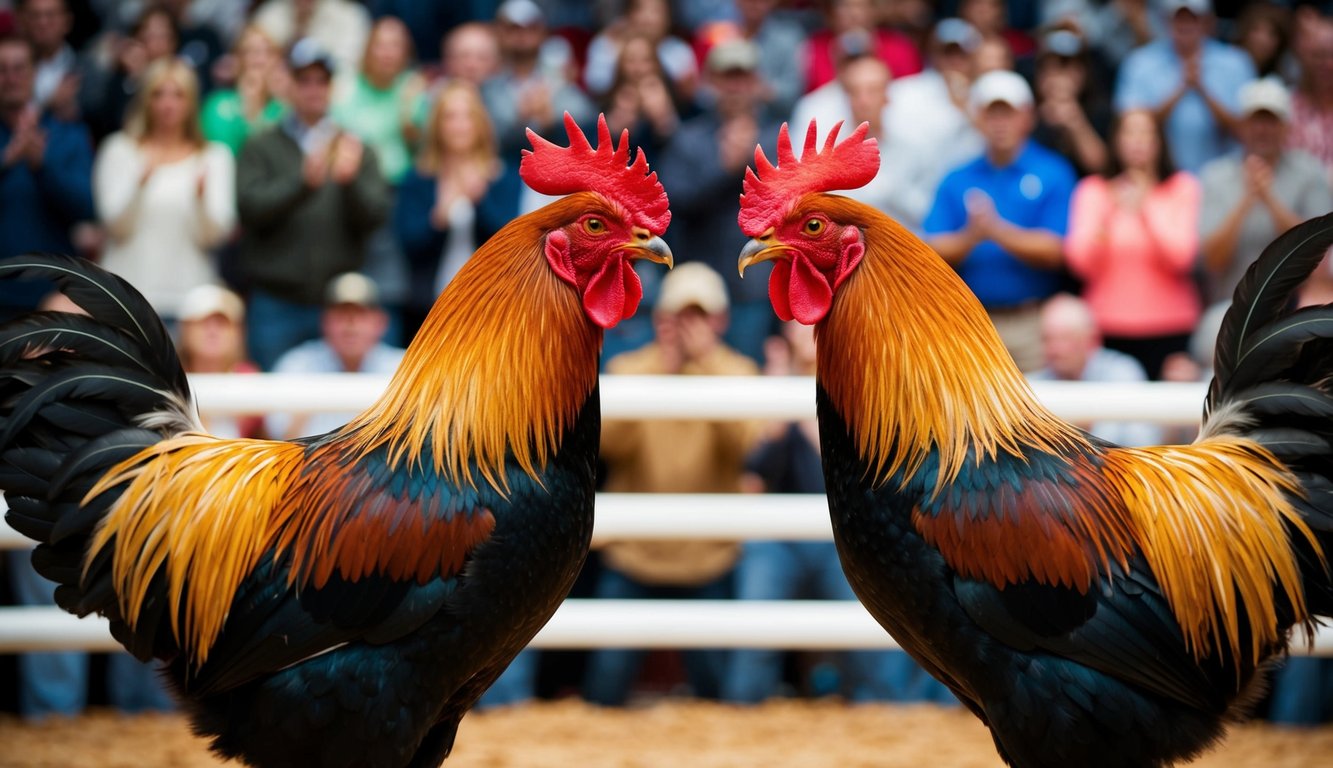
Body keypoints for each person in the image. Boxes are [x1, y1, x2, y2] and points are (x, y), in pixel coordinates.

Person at [724, 320, 953, 705]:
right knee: (752, 646)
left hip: (843, 536)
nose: (805, 334)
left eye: (811, 326)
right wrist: (780, 398)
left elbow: (861, 465)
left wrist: (795, 402)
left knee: (873, 646)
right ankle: (742, 715)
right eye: (797, 329)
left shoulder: (859, 386)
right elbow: (754, 472)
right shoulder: (770, 387)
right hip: (779, 537)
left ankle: (883, 717)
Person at [583, 262, 760, 706]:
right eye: (679, 316)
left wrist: (706, 367)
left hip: (709, 557)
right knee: (604, 688)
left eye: (697, 316)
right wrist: (660, 371)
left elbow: (749, 446)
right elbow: (608, 446)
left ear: (719, 321)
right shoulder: (630, 368)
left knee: (717, 695)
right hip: (634, 554)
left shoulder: (738, 373)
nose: (687, 327)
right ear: (660, 319)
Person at [5, 290, 177, 718]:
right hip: (40, 512)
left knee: (143, 597)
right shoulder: (16, 390)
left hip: (130, 513)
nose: (67, 338)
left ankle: (145, 713)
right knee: (45, 605)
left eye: (77, 326)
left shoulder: (130, 388)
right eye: (57, 324)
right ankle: (52, 717)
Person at [235, 37, 391, 370]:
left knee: (341, 412)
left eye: (322, 80)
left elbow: (376, 218)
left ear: (332, 87)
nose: (313, 88)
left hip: (340, 307)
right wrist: (302, 184)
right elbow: (248, 210)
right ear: (288, 84)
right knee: (274, 411)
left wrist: (349, 184)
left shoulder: (356, 146)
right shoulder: (261, 145)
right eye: (304, 80)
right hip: (276, 301)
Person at [924, 69, 1076, 373]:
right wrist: (970, 236)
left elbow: (1055, 250)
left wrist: (995, 230)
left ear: (1027, 117)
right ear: (978, 119)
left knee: (1037, 414)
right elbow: (930, 250)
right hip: (971, 320)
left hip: (1033, 322)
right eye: (992, 114)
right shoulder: (957, 177)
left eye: (1008, 113)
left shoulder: (1053, 171)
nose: (1000, 123)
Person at [655, 38, 781, 364]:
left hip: (752, 289)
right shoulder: (690, 137)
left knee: (746, 382)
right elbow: (670, 205)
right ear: (711, 81)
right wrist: (723, 170)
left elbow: (787, 205)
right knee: (691, 384)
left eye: (743, 76)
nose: (735, 86)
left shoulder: (776, 137)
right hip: (696, 287)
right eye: (727, 76)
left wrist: (743, 162)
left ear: (756, 82)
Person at [92, 56, 234, 327]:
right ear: (146, 99)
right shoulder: (119, 150)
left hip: (190, 304)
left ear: (192, 102)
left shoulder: (214, 157)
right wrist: (139, 185)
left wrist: (201, 199)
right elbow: (115, 227)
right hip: (126, 304)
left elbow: (215, 237)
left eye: (178, 95)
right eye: (159, 94)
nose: (168, 104)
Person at [1064, 108, 1201, 380]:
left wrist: (1146, 206)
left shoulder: (1182, 187)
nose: (1137, 140)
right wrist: (1109, 214)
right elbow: (1080, 263)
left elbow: (1182, 258)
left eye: (1146, 132)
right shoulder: (1093, 190)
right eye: (1129, 132)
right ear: (1115, 139)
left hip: (1170, 326)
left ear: (1160, 141)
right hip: (1106, 326)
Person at [393, 80, 522, 341]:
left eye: (467, 116)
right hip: (429, 310)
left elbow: (512, 246)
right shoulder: (418, 180)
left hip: (490, 308)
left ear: (480, 124)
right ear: (437, 126)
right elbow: (409, 246)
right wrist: (438, 217)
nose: (459, 125)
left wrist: (480, 201)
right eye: (450, 117)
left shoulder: (503, 177)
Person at [330, 14, 430, 345]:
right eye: (381, 45)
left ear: (406, 52)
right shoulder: (347, 89)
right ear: (368, 49)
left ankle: (388, 344)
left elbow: (428, 150)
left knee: (393, 285)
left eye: (395, 45)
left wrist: (410, 122)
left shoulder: (413, 89)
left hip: (402, 195)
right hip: (354, 193)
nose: (387, 53)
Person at [1199, 77, 1332, 307]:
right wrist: (1247, 200)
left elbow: (1317, 253)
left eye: (1271, 121)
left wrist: (1269, 198)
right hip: (1230, 305)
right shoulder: (1215, 175)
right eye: (1255, 121)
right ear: (1241, 126)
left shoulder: (1309, 172)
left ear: (1287, 127)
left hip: (1295, 305)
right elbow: (1212, 259)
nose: (1263, 130)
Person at [0, 33, 93, 321]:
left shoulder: (68, 134)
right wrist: (6, 163)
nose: (11, 77)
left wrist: (43, 166)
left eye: (19, 68)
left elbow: (86, 206)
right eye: (2, 69)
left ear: (35, 73)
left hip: (53, 298)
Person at [1113, 0, 1255, 175]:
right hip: (1161, 182)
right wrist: (1180, 89)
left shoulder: (1236, 63)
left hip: (1222, 182)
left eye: (1192, 18)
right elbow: (1131, 131)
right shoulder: (1139, 63)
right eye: (1178, 19)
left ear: (1208, 21)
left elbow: (1249, 132)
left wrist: (1203, 90)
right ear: (1165, 21)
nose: (1185, 26)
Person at [264, 272, 405, 440]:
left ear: (381, 322)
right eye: (341, 314)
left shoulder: (403, 367)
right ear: (324, 321)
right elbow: (280, 438)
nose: (350, 325)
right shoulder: (297, 364)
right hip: (311, 464)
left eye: (360, 314)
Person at [1029, 293, 1165, 447]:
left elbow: (1142, 442)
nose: (1054, 349)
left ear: (1091, 339)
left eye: (1065, 338)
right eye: (1047, 339)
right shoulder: (1032, 385)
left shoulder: (1122, 372)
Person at [479, 0, 594, 160]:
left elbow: (588, 118)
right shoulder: (489, 82)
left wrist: (552, 120)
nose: (522, 35)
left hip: (558, 171)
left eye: (531, 27)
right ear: (500, 31)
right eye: (513, 28)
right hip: (508, 172)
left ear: (543, 31)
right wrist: (521, 120)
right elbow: (483, 137)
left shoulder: (559, 75)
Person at [883, 18, 985, 196]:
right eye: (947, 53)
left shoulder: (987, 92)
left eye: (961, 54)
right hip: (920, 191)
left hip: (972, 191)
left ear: (973, 57)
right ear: (934, 54)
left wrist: (965, 109)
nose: (954, 61)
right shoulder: (907, 92)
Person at [175, 283, 263, 439]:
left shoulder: (251, 379)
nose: (213, 331)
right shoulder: (169, 379)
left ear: (238, 333)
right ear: (185, 329)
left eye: (223, 323)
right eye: (203, 323)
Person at [583, 0, 698, 105]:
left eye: (656, 11)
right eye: (640, 9)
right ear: (627, 14)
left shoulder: (679, 50)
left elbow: (692, 98)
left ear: (668, 17)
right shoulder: (607, 44)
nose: (647, 18)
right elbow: (596, 87)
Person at [1031, 27, 1111, 177]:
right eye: (1048, 68)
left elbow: (1103, 168)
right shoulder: (1027, 115)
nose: (1056, 77)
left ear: (1082, 73)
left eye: (1065, 66)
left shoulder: (1100, 112)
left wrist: (1075, 121)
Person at [200, 23, 288, 156]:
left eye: (267, 52)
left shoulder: (285, 109)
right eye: (251, 51)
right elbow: (217, 154)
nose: (259, 60)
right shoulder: (216, 105)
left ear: (277, 60)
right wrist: (248, 106)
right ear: (237, 58)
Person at [802, 0, 921, 93]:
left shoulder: (899, 46)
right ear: (831, 12)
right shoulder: (814, 47)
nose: (855, 13)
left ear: (875, 10)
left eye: (861, 6)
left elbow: (911, 95)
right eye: (845, 6)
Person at [251, 0, 371, 77]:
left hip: (332, 105)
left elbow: (346, 73)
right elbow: (255, 68)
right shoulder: (268, 15)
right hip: (276, 103)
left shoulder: (349, 17)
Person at [14, 0, 82, 122]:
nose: (42, 23)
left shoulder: (84, 67)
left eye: (50, 15)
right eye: (35, 16)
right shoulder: (8, 68)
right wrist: (49, 105)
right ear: (22, 20)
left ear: (67, 22)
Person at [1287, 12, 1333, 186]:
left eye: (1332, 55)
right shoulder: (1286, 106)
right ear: (1305, 58)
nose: (1327, 64)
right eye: (1319, 55)